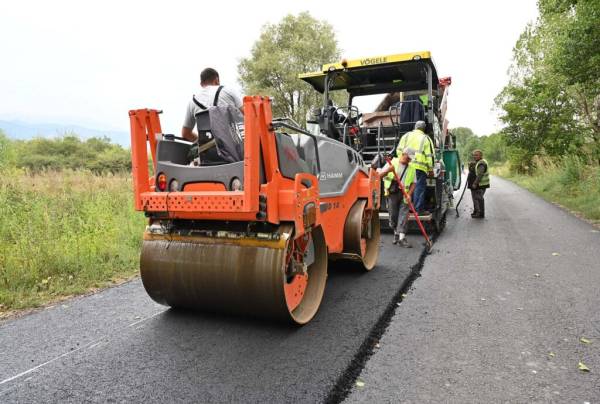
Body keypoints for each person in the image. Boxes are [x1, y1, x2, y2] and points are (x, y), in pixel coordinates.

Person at [181, 68, 243, 142]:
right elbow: (247, 114)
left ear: (201, 84)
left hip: (208, 151)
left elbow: (186, 133)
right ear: (216, 80)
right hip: (235, 148)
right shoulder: (228, 91)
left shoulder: (192, 102)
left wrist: (204, 144)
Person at [377, 148, 417, 248]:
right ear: (403, 154)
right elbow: (378, 176)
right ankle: (396, 233)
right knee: (393, 216)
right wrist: (388, 170)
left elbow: (414, 183)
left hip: (404, 194)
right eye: (408, 158)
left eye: (410, 159)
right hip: (392, 193)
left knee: (403, 216)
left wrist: (409, 194)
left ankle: (402, 238)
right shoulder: (392, 163)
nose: (409, 160)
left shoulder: (412, 168)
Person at [396, 120, 434, 215]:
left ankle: (405, 208)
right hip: (419, 167)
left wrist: (403, 161)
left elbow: (399, 150)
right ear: (424, 128)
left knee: (405, 186)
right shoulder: (425, 138)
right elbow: (430, 156)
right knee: (418, 188)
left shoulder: (406, 136)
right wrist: (430, 169)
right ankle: (418, 210)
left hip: (406, 166)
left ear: (415, 127)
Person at [469, 149, 490, 218]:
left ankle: (480, 213)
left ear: (481, 155)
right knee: (476, 198)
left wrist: (475, 183)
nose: (475, 156)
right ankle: (476, 212)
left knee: (478, 199)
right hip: (479, 184)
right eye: (474, 155)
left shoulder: (481, 163)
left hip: (480, 184)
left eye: (476, 155)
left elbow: (480, 175)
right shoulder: (478, 162)